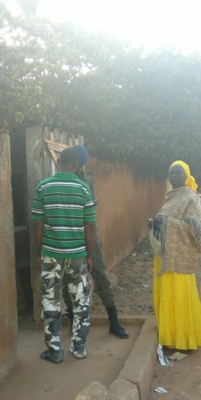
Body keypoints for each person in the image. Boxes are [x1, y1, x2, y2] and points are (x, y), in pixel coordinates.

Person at [31, 147, 96, 363]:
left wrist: (40, 253)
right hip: (78, 255)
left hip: (51, 254)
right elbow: (89, 226)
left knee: (51, 301)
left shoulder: (43, 187)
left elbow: (37, 224)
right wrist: (89, 256)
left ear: (58, 162)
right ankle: (79, 348)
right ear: (76, 165)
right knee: (80, 301)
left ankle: (54, 351)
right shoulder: (84, 189)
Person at [62, 145, 129, 339]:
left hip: (89, 232)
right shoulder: (62, 179)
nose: (78, 163)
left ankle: (114, 321)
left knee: (100, 274)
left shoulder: (88, 179)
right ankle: (73, 321)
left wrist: (91, 205)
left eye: (80, 160)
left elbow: (89, 207)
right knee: (68, 280)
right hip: (69, 234)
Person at [149, 160, 201, 352]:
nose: (173, 176)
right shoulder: (171, 195)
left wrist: (167, 222)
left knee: (180, 296)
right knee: (166, 295)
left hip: (180, 256)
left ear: (186, 176)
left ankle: (185, 340)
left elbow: (196, 229)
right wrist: (155, 223)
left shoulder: (190, 197)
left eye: (178, 173)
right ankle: (169, 337)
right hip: (165, 254)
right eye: (171, 173)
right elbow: (165, 219)